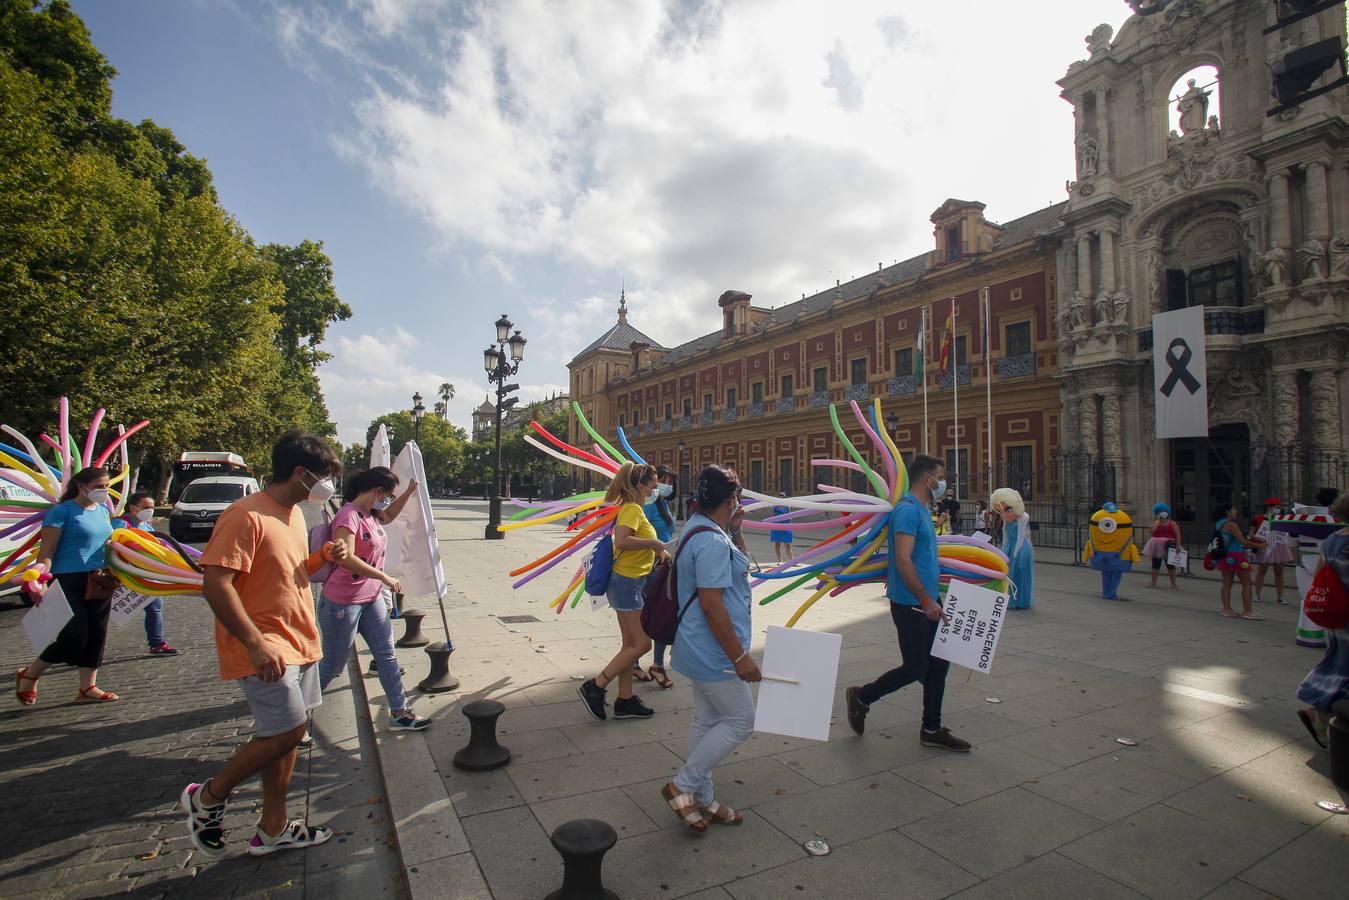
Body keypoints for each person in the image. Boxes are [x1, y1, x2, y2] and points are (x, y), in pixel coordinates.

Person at [180, 431, 347, 858]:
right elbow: (216, 583)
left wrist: (322, 558)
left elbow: (290, 573)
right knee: (288, 730)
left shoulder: (292, 514)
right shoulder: (245, 515)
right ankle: (208, 797)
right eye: (324, 477)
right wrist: (254, 643)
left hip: (299, 641)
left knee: (286, 737)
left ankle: (273, 827)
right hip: (266, 647)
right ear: (299, 472)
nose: (327, 487)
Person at [845, 455, 970, 752]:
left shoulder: (923, 510)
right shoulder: (907, 511)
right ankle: (862, 696)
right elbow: (902, 559)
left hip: (927, 600)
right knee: (915, 668)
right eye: (941, 476)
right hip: (911, 603)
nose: (943, 483)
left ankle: (932, 728)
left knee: (939, 664)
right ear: (927, 480)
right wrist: (925, 599)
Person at [661, 464, 761, 833]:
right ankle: (682, 786)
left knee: (706, 720)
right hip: (714, 653)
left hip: (695, 646)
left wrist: (734, 529)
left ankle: (702, 797)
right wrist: (740, 657)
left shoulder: (698, 530)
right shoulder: (713, 543)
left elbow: (735, 573)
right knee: (741, 721)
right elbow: (712, 605)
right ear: (731, 498)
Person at [316, 467, 428, 732]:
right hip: (343, 602)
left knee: (387, 655)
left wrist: (409, 493)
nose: (387, 500)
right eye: (388, 494)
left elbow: (388, 515)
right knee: (333, 664)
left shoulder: (372, 515)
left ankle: (400, 712)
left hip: (371, 599)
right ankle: (294, 715)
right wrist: (384, 577)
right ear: (377, 491)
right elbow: (345, 557)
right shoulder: (348, 516)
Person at [14, 467, 120, 706]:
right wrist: (38, 577)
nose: (105, 491)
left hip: (98, 577)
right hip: (67, 578)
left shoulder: (103, 511)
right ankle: (30, 673)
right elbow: (47, 552)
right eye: (99, 486)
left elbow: (107, 543)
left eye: (107, 486)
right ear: (82, 486)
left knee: (96, 633)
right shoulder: (61, 512)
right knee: (74, 636)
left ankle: (87, 687)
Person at [576, 462, 666, 722]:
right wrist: (654, 542)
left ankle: (625, 699)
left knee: (630, 645)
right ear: (641, 485)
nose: (657, 487)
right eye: (654, 483)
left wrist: (659, 552)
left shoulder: (636, 509)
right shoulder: (632, 509)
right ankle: (596, 686)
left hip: (630, 582)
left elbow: (633, 542)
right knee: (642, 644)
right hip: (627, 584)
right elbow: (623, 541)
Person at [1295, 491, 1349, 748]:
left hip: (1336, 614)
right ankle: (1320, 714)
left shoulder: (1330, 541)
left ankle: (1318, 714)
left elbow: (1319, 576)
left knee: (1338, 662)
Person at [112, 491, 179, 656]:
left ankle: (157, 643)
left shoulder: (146, 525)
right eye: (146, 507)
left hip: (146, 574)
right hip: (124, 575)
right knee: (106, 612)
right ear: (133, 508)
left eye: (152, 507)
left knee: (155, 608)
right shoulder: (121, 524)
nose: (150, 510)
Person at [642, 467, 678, 689]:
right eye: (662, 482)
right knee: (650, 614)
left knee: (661, 614)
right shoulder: (646, 506)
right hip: (650, 566)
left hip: (663, 565)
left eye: (669, 482)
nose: (665, 485)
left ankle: (656, 663)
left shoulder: (663, 503)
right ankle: (644, 663)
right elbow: (639, 533)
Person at [1213, 504, 1265, 620]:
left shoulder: (1219, 523)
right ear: (1228, 512)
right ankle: (1247, 611)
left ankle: (1226, 609)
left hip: (1225, 555)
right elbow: (1242, 541)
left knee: (1227, 583)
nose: (1236, 511)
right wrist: (1259, 545)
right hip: (1236, 555)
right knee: (1247, 583)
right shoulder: (1231, 524)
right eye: (1234, 509)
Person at [992, 488, 1034, 610]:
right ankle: (1010, 599)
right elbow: (1005, 535)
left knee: (1020, 573)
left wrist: (1016, 554)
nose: (1004, 509)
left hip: (1020, 548)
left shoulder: (1023, 516)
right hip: (1010, 546)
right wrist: (1004, 549)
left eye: (1006, 507)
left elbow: (1021, 537)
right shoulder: (1006, 516)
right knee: (1009, 574)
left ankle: (1021, 600)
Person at [1252, 498, 1293, 605]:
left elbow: (1287, 533)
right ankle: (1257, 595)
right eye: (1276, 507)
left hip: (1279, 546)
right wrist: (1260, 540)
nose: (1277, 509)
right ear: (1269, 507)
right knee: (1262, 571)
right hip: (1266, 546)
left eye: (1279, 508)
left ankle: (1280, 596)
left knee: (1279, 572)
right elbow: (1252, 533)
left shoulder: (1282, 519)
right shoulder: (1259, 519)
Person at [1143, 502, 1183, 591]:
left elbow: (1178, 535)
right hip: (1157, 546)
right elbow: (1152, 531)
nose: (1163, 513)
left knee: (1170, 565)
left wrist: (1178, 545)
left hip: (1170, 545)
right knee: (1155, 564)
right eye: (1160, 511)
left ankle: (1173, 584)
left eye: (1165, 511)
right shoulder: (1155, 523)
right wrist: (1156, 522)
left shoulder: (1173, 524)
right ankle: (1153, 582)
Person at [769, 492, 795, 563]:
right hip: (776, 527)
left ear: (784, 498)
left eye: (782, 497)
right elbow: (771, 517)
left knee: (788, 545)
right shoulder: (774, 506)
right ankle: (780, 561)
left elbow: (791, 517)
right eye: (780, 497)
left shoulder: (787, 506)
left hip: (786, 526)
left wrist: (786, 517)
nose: (781, 498)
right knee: (777, 544)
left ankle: (792, 562)